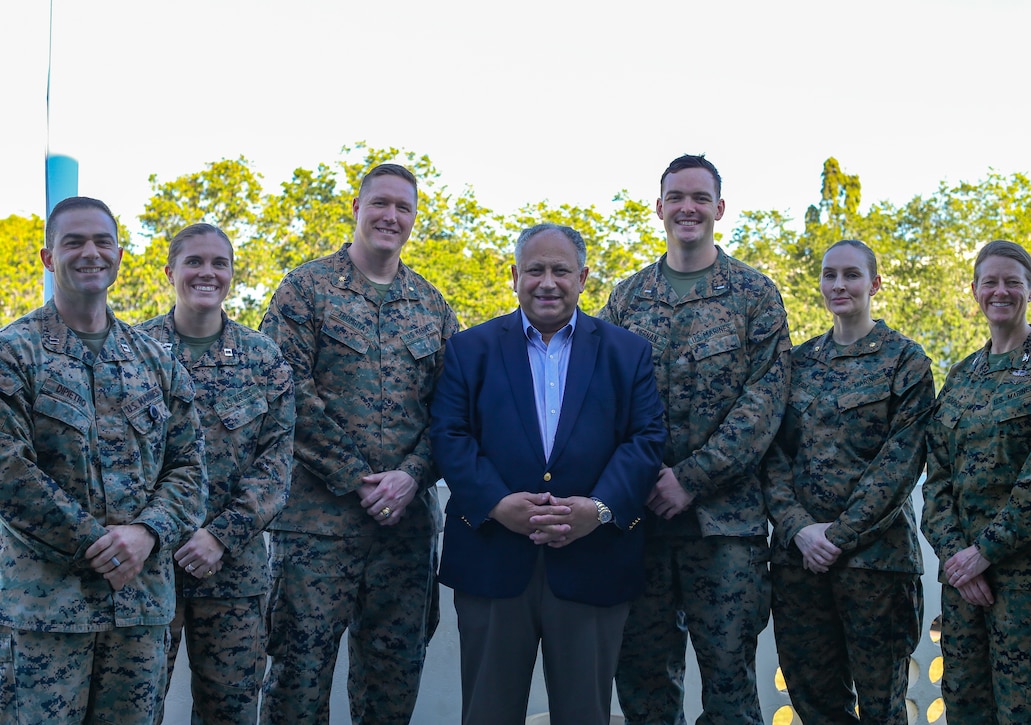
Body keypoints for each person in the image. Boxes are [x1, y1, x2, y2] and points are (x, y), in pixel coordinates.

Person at [431, 223, 666, 725]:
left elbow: (646, 440)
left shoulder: (628, 352)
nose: (547, 282)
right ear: (514, 276)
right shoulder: (470, 350)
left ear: (583, 278)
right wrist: (496, 503)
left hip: (594, 560)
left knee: (585, 715)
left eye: (561, 270)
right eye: (534, 270)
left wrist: (599, 510)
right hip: (493, 558)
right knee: (488, 713)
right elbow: (450, 435)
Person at [258, 163, 459, 724]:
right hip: (316, 529)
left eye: (404, 208)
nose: (390, 217)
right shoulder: (306, 289)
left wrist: (411, 475)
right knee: (298, 682)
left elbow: (453, 411)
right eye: (380, 204)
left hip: (405, 530)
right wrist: (358, 477)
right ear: (356, 208)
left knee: (392, 687)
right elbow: (283, 390)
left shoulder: (433, 306)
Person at [0, 196, 207, 722]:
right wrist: (97, 544)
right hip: (48, 613)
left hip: (140, 611)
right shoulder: (14, 352)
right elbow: (8, 470)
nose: (89, 252)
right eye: (74, 242)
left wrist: (146, 533)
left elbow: (188, 467)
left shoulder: (154, 362)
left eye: (101, 241)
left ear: (118, 254)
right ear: (49, 258)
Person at [602, 154, 791, 724]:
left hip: (724, 528)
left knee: (730, 686)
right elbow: (604, 402)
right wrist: (638, 482)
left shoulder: (755, 296)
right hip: (641, 525)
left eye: (700, 197)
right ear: (659, 208)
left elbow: (764, 403)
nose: (688, 207)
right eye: (676, 197)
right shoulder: (627, 300)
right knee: (643, 681)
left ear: (719, 209)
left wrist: (690, 478)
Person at [760, 239, 933, 723]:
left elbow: (900, 463)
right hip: (800, 567)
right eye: (829, 274)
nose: (839, 284)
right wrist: (799, 529)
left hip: (875, 566)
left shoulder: (906, 361)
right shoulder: (798, 363)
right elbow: (772, 455)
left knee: (882, 708)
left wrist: (835, 537)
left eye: (852, 275)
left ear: (874, 283)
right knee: (814, 704)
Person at [922, 240, 1031, 725]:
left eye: (1012, 282)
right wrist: (958, 558)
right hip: (963, 586)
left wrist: (984, 553)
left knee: (1026, 718)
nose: (1000, 291)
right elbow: (937, 482)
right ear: (974, 290)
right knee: (965, 713)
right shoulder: (960, 377)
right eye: (989, 282)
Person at [138, 223, 295, 724]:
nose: (207, 273)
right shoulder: (132, 353)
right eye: (194, 262)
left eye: (219, 263)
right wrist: (159, 532)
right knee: (135, 711)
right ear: (170, 272)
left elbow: (276, 464)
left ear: (232, 274)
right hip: (147, 569)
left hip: (233, 574)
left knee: (229, 714)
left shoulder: (263, 360)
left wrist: (220, 537)